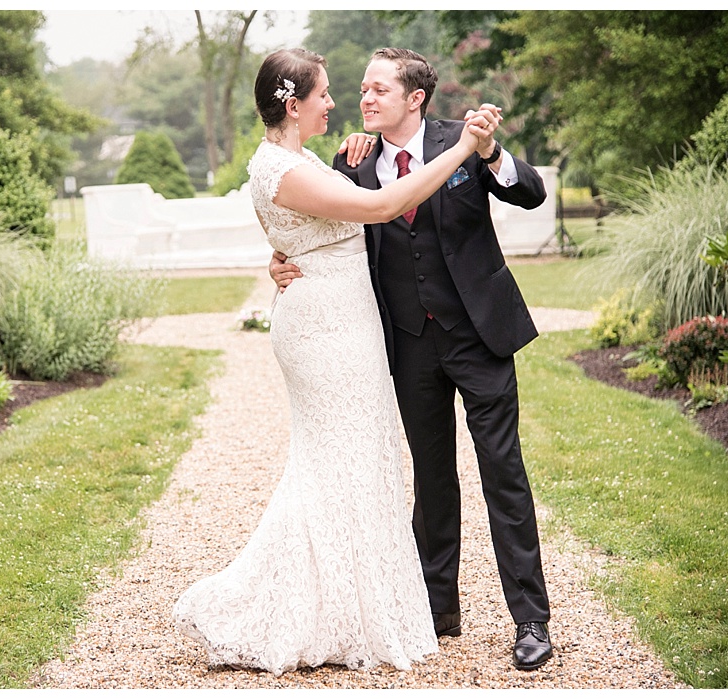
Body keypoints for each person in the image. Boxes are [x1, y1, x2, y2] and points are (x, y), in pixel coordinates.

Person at [171, 47, 498, 674]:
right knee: (337, 465)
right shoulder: (282, 170)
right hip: (326, 334)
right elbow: (377, 208)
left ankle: (345, 607)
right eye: (323, 94)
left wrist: (282, 254)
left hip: (343, 323)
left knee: (356, 463)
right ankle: (286, 606)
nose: (333, 102)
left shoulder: (298, 159)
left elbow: (309, 227)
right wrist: (459, 150)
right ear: (294, 105)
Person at [271, 47, 553, 671]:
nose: (364, 99)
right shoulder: (356, 160)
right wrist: (280, 259)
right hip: (407, 342)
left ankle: (530, 619)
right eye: (361, 89)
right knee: (431, 477)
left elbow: (529, 193)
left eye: (378, 90)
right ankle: (439, 607)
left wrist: (493, 154)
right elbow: (319, 226)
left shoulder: (466, 141)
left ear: (415, 98)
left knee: (502, 471)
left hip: (479, 337)